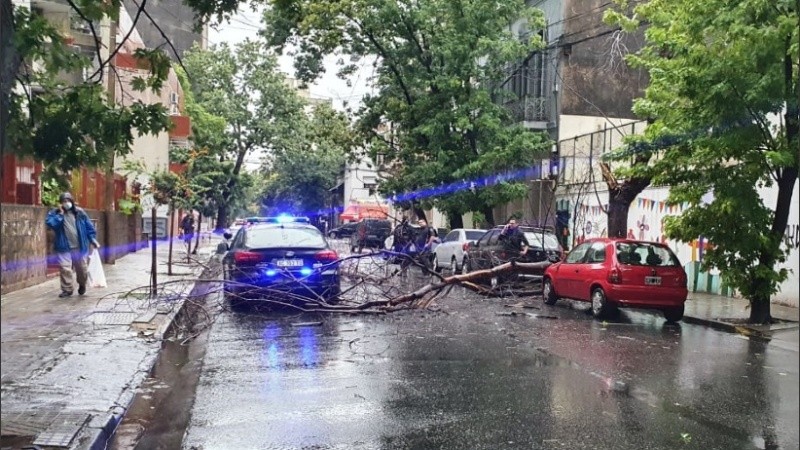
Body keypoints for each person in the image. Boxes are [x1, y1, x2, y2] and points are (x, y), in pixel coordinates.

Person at [45, 192, 99, 298]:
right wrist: (60, 214)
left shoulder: (80, 213)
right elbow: (51, 224)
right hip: (63, 246)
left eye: (68, 201)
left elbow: (89, 227)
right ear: (60, 203)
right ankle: (67, 289)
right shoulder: (55, 213)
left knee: (82, 269)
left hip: (80, 246)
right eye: (64, 201)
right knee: (65, 268)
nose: (66, 203)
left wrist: (92, 239)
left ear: (72, 201)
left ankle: (82, 284)